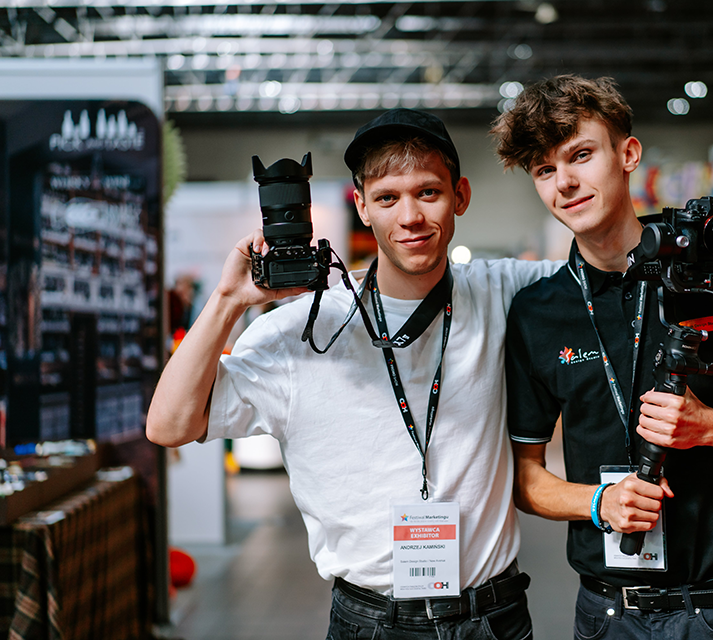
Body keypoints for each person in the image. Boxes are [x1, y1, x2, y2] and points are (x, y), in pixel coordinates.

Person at [146, 108, 561, 639]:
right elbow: (169, 425)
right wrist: (228, 299)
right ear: (362, 206)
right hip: (371, 622)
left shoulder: (502, 290)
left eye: (428, 192)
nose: (410, 216)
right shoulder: (299, 329)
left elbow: (611, 262)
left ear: (460, 195)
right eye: (387, 198)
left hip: (493, 616)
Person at [490, 75, 713, 639]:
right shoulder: (537, 312)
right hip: (609, 613)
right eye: (544, 170)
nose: (565, 182)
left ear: (628, 154)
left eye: (581, 155)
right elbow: (527, 479)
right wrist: (599, 502)